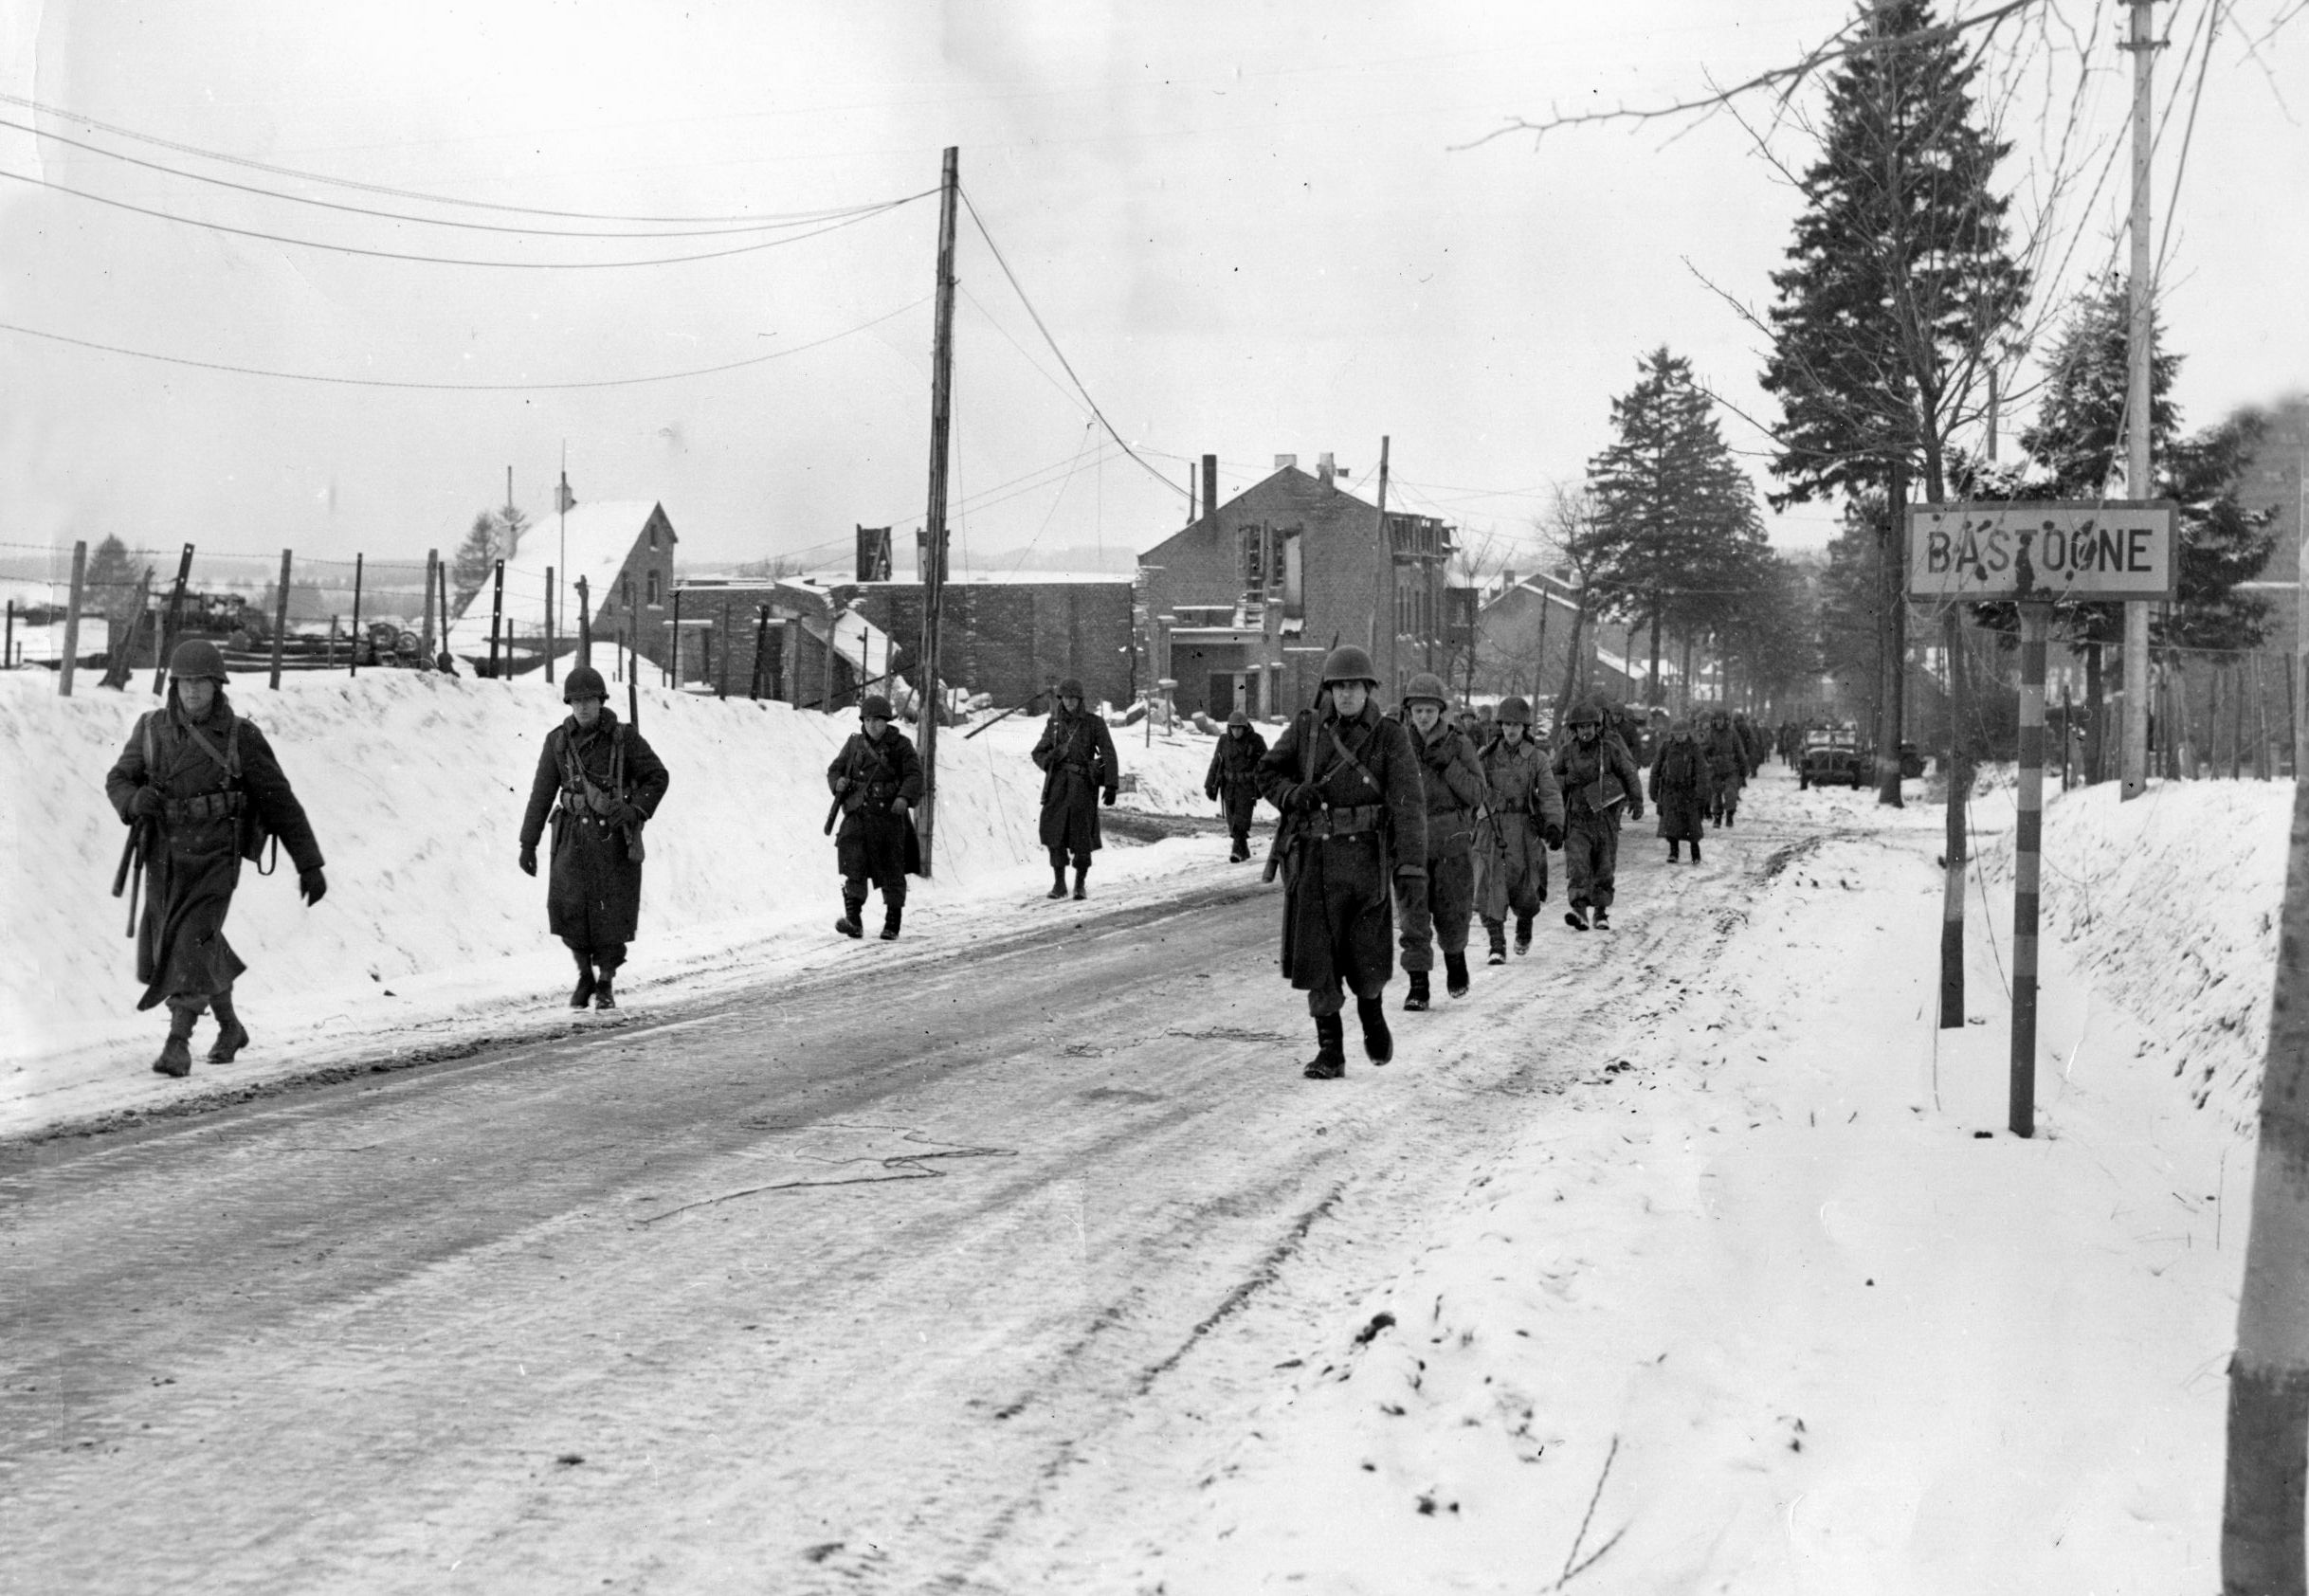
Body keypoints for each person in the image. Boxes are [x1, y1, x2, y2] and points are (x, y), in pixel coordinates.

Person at [104, 639, 327, 1078]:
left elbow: (280, 801)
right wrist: (134, 800)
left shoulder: (242, 736)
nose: (192, 692)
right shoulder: (150, 729)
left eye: (201, 683)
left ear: (217, 686)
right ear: (174, 686)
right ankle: (230, 1027)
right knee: (183, 942)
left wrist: (309, 863)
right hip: (164, 857)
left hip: (215, 858)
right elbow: (118, 779)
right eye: (185, 683)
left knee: (190, 943)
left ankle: (177, 1043)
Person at [1255, 645, 1427, 1080]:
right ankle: (1330, 1050)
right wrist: (1292, 795)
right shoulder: (1307, 729)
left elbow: (1408, 805)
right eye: (1338, 687)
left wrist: (1409, 865)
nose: (1346, 695)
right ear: (1328, 690)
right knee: (1318, 959)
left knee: (1367, 957)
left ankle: (1372, 1016)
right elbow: (1267, 772)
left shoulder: (1390, 736)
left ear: (1369, 690)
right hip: (1314, 861)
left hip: (1367, 861)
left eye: (1355, 687)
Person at [518, 665, 670, 1010]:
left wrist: (634, 810)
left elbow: (657, 777)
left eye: (590, 700)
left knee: (610, 915)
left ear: (601, 701)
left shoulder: (623, 737)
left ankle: (605, 982)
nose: (584, 707)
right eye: (577, 701)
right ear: (569, 703)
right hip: (571, 839)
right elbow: (541, 794)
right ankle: (584, 974)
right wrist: (528, 843)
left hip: (611, 840)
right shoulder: (557, 741)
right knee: (569, 910)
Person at [1394, 671, 1489, 1007]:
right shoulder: (1398, 743)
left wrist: (1450, 765)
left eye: (1430, 710)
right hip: (1410, 843)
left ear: (1441, 712)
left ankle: (1455, 959)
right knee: (1412, 917)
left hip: (1451, 841)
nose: (1423, 716)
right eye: (1417, 710)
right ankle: (1418, 985)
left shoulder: (1458, 744)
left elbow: (1478, 793)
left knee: (1452, 911)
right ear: (1409, 711)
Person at [1474, 696, 1565, 962]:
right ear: (1499, 726)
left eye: (1516, 725)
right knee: (1489, 883)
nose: (1510, 730)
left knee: (1527, 888)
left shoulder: (1536, 758)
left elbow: (1549, 792)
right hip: (1492, 827)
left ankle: (1524, 926)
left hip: (1524, 829)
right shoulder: (1486, 757)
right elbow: (1471, 791)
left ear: (1525, 727)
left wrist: (1554, 824)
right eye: (1506, 724)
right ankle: (1496, 944)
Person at [827, 693, 923, 940]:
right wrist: (837, 782)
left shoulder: (901, 745)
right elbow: (835, 769)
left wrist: (904, 797)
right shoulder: (854, 744)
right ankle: (854, 920)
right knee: (853, 864)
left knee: (892, 868)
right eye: (868, 720)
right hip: (858, 815)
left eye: (878, 721)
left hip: (889, 817)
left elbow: (914, 775)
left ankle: (892, 923)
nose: (872, 725)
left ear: (887, 721)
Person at [1552, 700, 1644, 931]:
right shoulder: (1566, 753)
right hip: (1577, 818)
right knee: (1578, 865)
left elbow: (1629, 772)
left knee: (1604, 866)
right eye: (1581, 727)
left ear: (1597, 727)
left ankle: (1601, 912)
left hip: (1605, 817)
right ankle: (1580, 910)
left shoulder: (1609, 750)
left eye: (1590, 726)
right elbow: (1550, 780)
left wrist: (1637, 799)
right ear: (1574, 729)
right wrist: (1566, 781)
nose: (1586, 731)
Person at [1031, 677, 1119, 900]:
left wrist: (1110, 785)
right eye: (1065, 698)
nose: (1069, 702)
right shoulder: (1054, 725)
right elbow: (1037, 753)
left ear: (1080, 700)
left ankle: (1080, 883)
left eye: (1073, 698)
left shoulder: (1094, 723)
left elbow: (1108, 753)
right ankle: (1059, 883)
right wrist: (1051, 757)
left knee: (1082, 836)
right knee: (1054, 833)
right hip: (1058, 786)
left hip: (1083, 786)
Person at [1203, 708, 1269, 863]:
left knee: (1241, 820)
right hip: (1228, 786)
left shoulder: (1256, 740)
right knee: (1232, 820)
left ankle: (1237, 851)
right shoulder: (1224, 741)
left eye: (1239, 727)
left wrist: (1264, 785)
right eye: (1233, 727)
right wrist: (1210, 784)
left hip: (1247, 787)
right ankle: (1243, 850)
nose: (1236, 731)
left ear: (1245, 728)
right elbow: (1216, 762)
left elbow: (1266, 763)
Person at [1648, 716, 1709, 864]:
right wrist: (1653, 788)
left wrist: (1701, 792)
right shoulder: (1666, 747)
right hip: (1670, 791)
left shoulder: (1694, 749)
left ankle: (1695, 852)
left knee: (1693, 825)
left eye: (1683, 734)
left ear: (1688, 733)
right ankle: (1673, 852)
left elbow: (1702, 772)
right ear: (1672, 735)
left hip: (1689, 792)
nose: (1680, 737)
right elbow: (1656, 769)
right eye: (1677, 734)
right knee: (1671, 824)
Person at [1700, 707, 1751, 827]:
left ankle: (1729, 816)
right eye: (1717, 720)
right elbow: (1702, 751)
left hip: (1730, 769)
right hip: (1715, 769)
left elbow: (1739, 751)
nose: (1719, 722)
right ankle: (1717, 818)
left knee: (1730, 793)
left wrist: (1744, 767)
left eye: (1721, 720)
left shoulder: (1732, 734)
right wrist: (1706, 758)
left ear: (1726, 720)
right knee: (1716, 794)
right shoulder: (1710, 734)